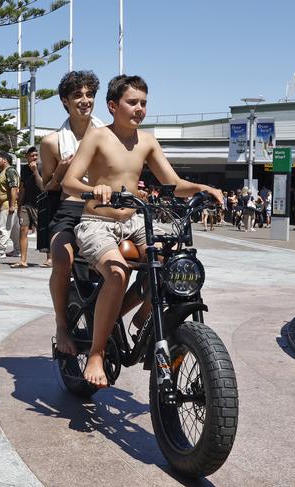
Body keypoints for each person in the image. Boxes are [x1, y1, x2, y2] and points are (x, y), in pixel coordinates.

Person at [61, 74, 223, 387]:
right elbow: (70, 182)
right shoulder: (96, 137)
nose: (139, 109)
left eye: (144, 103)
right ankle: (96, 353)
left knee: (171, 265)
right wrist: (95, 190)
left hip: (137, 220)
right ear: (112, 105)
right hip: (98, 223)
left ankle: (140, 316)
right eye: (132, 102)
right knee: (118, 273)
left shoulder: (147, 141)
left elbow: (172, 184)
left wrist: (203, 187)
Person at [40, 70, 104, 356]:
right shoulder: (51, 142)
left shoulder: (110, 134)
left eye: (90, 94)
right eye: (78, 95)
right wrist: (61, 173)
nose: (85, 100)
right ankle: (62, 324)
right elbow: (46, 186)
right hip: (70, 207)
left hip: (104, 210)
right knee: (61, 259)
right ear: (65, 101)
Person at [11, 146, 45, 268]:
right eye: (32, 155)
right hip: (27, 203)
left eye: (36, 155)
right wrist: (19, 206)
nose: (35, 157)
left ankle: (50, 258)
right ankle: (23, 260)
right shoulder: (24, 169)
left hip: (39, 204)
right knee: (23, 230)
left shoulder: (42, 167)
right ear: (26, 157)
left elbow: (42, 186)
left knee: (43, 231)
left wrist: (35, 171)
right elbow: (22, 188)